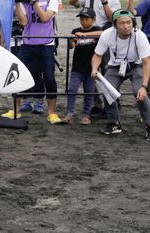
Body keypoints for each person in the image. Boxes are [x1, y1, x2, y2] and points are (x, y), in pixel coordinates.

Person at [2, 0, 64, 123]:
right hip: (27, 44)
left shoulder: (52, 1)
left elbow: (44, 17)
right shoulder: (25, 1)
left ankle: (52, 112)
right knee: (19, 75)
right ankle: (16, 110)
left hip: (45, 45)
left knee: (49, 78)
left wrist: (34, 1)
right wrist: (17, 2)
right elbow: (23, 22)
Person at [91, 10, 150, 141]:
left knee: (139, 93)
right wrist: (94, 69)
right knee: (107, 88)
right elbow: (97, 55)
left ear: (133, 23)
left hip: (137, 65)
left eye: (129, 22)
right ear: (115, 25)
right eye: (122, 23)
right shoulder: (107, 34)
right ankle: (114, 123)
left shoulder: (140, 36)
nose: (126, 26)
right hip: (115, 65)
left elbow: (147, 62)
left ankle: (149, 125)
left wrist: (144, 86)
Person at [64, 8, 102, 124]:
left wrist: (84, 35)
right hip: (77, 67)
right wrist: (72, 39)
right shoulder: (76, 30)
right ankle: (69, 114)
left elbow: (102, 33)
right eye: (81, 19)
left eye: (86, 19)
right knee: (72, 90)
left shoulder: (97, 29)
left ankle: (86, 115)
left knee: (89, 92)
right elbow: (71, 46)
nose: (83, 21)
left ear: (93, 19)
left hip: (91, 68)